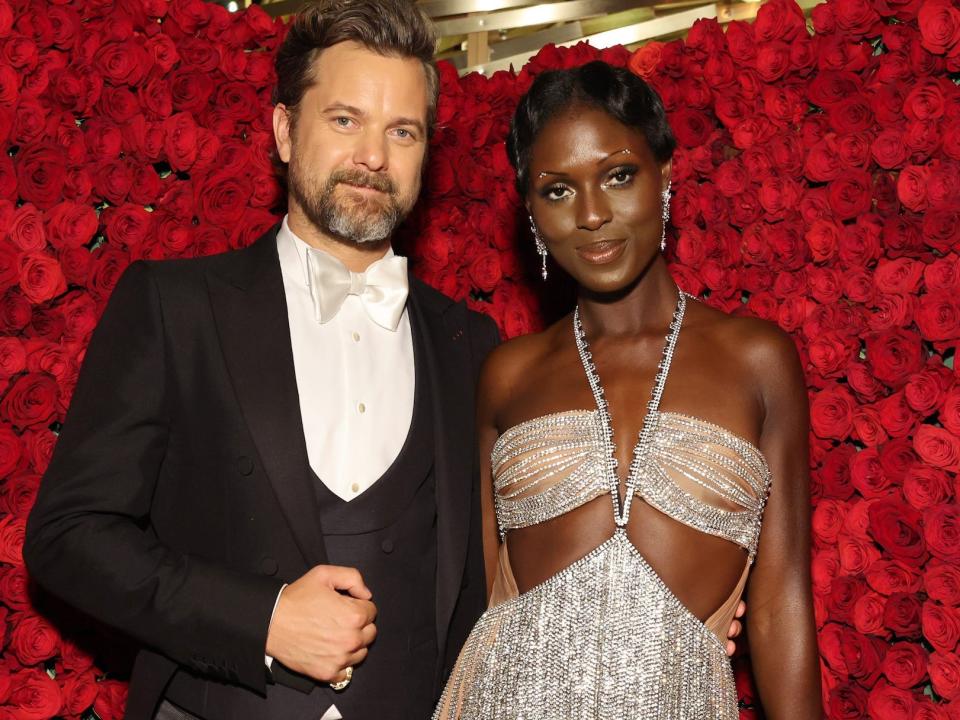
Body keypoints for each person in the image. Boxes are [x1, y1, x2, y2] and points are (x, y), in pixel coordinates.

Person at [24, 2, 499, 719]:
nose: (374, 156)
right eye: (345, 120)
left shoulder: (470, 343)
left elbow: (487, 579)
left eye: (402, 131)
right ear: (284, 130)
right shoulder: (176, 307)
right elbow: (68, 535)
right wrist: (261, 619)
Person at [435, 61, 821, 719]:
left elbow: (782, 604)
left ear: (664, 175)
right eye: (557, 190)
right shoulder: (509, 374)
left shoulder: (755, 360)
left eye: (618, 177)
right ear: (529, 209)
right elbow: (478, 594)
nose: (591, 215)